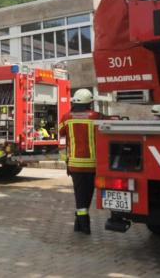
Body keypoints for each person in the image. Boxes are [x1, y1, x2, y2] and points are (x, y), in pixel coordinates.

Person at [58, 89, 104, 235]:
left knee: (79, 193)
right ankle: (84, 224)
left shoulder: (66, 117)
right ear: (89, 102)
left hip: (74, 165)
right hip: (92, 165)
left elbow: (60, 135)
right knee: (87, 194)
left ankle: (80, 223)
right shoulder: (96, 117)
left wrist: (64, 160)